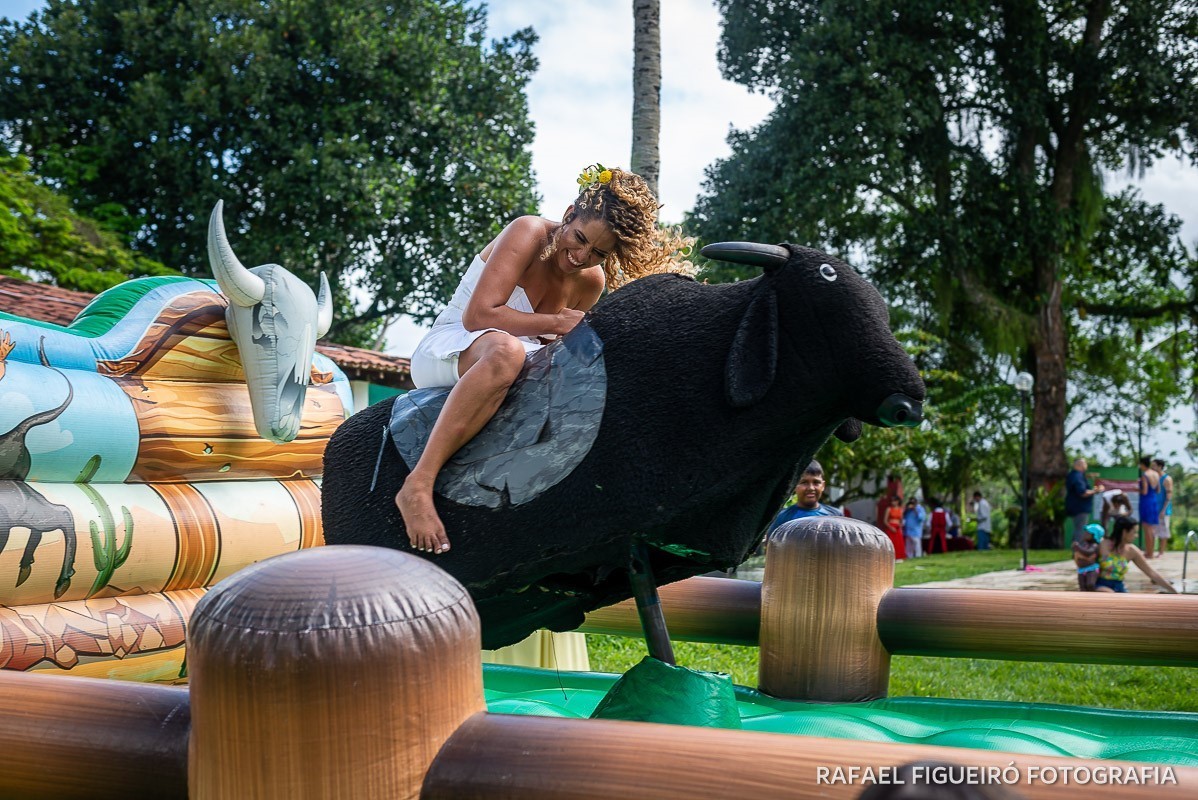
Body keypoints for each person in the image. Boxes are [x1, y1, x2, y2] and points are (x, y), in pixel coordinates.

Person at [398, 165, 690, 554]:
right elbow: (479, 316)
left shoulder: (592, 281)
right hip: (456, 345)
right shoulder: (529, 232)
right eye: (580, 238)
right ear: (569, 215)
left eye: (598, 253)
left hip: (517, 362)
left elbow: (558, 347)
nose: (581, 256)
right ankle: (418, 484)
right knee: (507, 350)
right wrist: (557, 321)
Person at [1096, 515, 1178, 593]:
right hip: (1100, 586)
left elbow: (1151, 573)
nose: (1137, 536)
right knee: (1110, 594)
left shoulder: (1132, 550)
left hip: (1119, 587)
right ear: (1124, 532)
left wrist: (1174, 591)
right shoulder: (1103, 544)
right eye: (1134, 532)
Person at [765, 461, 844, 537]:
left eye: (816, 482)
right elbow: (771, 548)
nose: (811, 488)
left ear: (823, 485)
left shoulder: (835, 516)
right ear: (794, 485)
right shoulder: (782, 517)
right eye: (804, 482)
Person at [1064, 457, 1103, 544]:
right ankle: (1078, 550)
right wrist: (1096, 491)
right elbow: (1082, 492)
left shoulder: (1073, 475)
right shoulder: (1077, 476)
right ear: (1080, 465)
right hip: (1080, 507)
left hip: (1075, 506)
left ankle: (1076, 549)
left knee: (1078, 528)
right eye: (1085, 463)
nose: (1086, 466)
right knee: (1080, 530)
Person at [1137, 456, 1162, 559]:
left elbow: (1144, 491)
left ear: (1143, 464)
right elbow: (1158, 490)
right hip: (1153, 501)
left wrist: (1136, 488)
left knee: (1147, 528)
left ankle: (1149, 553)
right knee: (1151, 528)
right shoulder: (1156, 474)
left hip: (1146, 502)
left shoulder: (1145, 475)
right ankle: (1150, 551)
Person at [1072, 522, 1103, 592]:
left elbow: (1089, 553)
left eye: (1087, 533)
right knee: (1082, 587)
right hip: (1081, 569)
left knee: (1090, 584)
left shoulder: (1094, 545)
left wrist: (1078, 547)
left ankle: (1094, 598)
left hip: (1091, 569)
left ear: (1094, 535)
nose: (1084, 534)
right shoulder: (1084, 544)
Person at [1153, 458, 1173, 558]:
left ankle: (1161, 552)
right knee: (1154, 531)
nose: (1153, 467)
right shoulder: (1155, 478)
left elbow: (1169, 496)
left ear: (1160, 466)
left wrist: (1163, 510)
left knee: (1163, 532)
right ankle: (1152, 551)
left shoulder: (1167, 479)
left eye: (1154, 465)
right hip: (1155, 509)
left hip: (1164, 510)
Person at [883, 495, 907, 561]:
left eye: (894, 501)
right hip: (890, 527)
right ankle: (889, 558)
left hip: (897, 528)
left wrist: (900, 525)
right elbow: (885, 521)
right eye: (892, 501)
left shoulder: (900, 510)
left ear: (897, 501)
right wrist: (891, 527)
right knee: (891, 543)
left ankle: (899, 557)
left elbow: (901, 520)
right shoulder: (889, 509)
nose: (892, 502)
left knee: (898, 543)